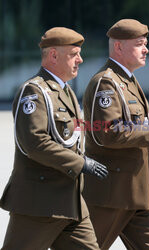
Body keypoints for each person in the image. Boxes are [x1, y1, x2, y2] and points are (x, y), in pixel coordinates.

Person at [0, 27, 108, 250]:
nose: (80, 59)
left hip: (71, 203)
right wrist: (80, 163)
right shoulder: (33, 92)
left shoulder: (65, 91)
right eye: (73, 54)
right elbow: (34, 142)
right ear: (53, 55)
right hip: (40, 204)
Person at [82, 19, 149, 250]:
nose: (146, 49)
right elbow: (109, 133)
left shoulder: (127, 81)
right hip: (112, 193)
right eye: (139, 44)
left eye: (145, 43)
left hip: (136, 192)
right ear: (119, 47)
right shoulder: (107, 83)